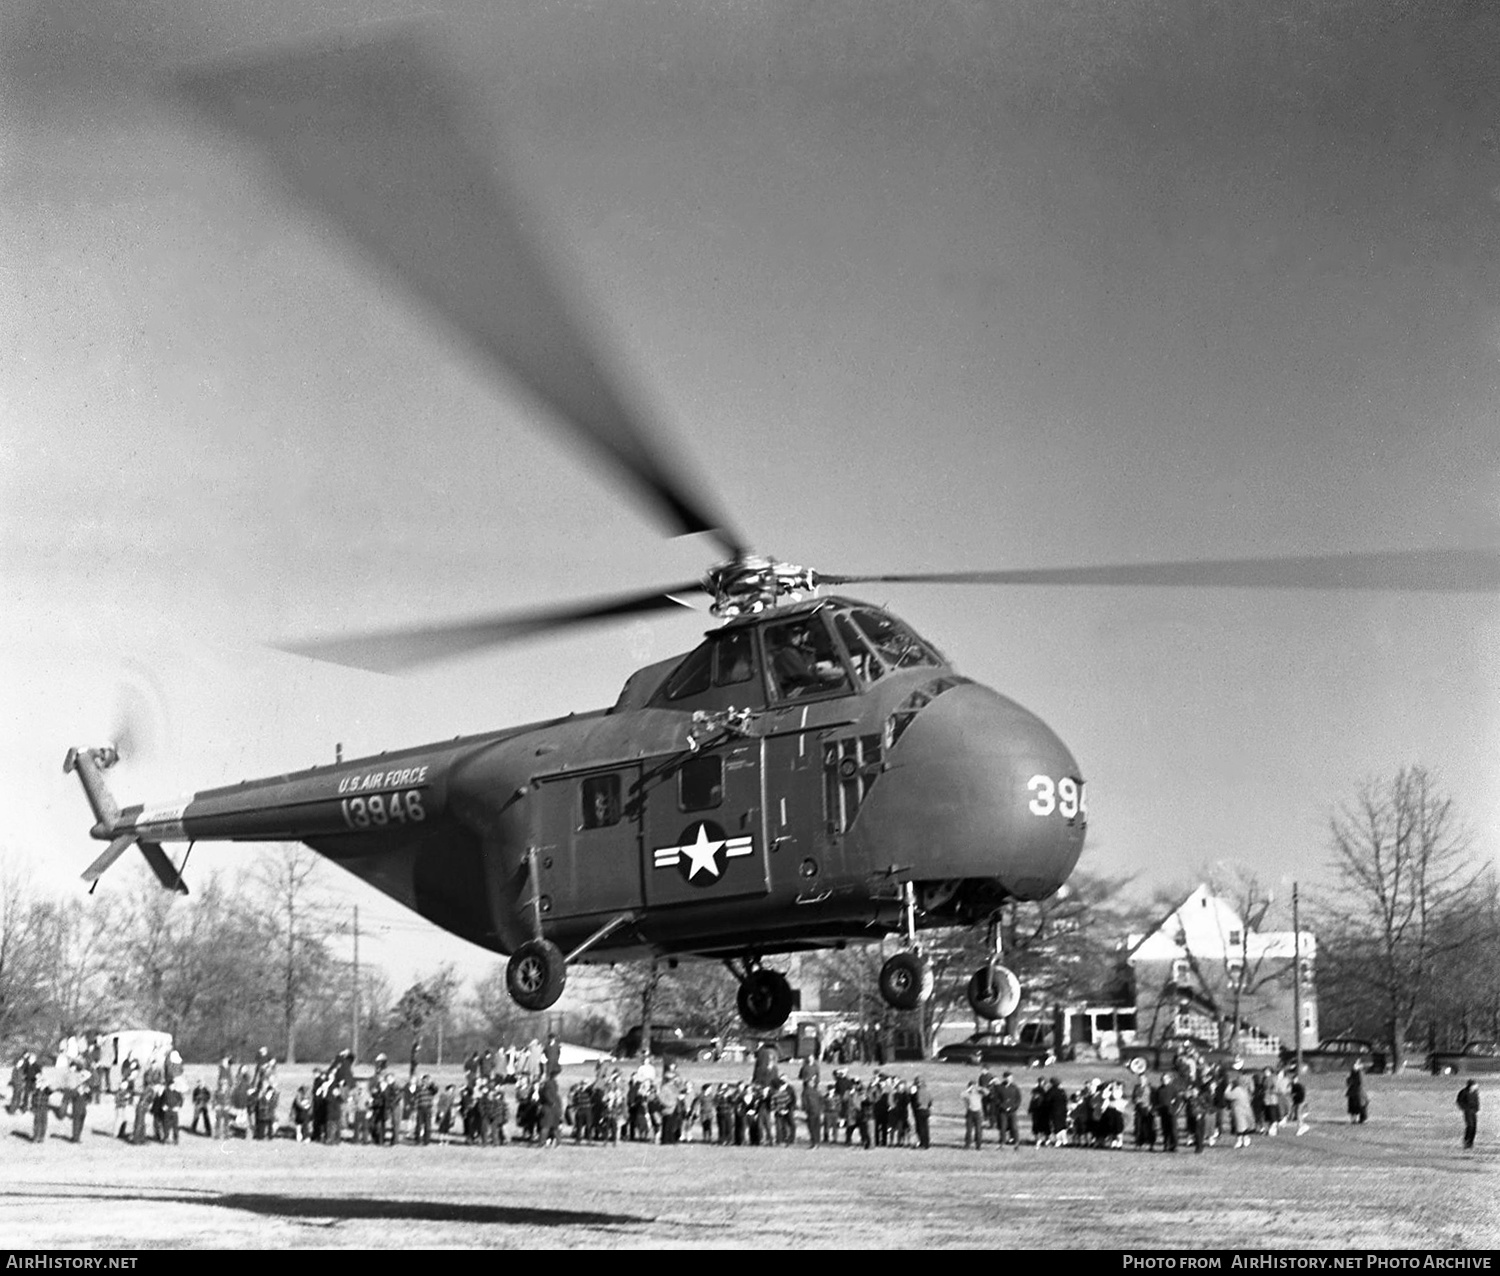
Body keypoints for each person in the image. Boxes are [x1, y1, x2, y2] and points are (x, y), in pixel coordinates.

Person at [1457, 1080, 1480, 1150]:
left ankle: (1471, 1142)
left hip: (1474, 1111)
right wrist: (1465, 1108)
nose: (1476, 1086)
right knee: (1470, 1126)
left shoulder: (1475, 1092)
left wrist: (1477, 1108)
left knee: (1474, 1127)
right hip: (1468, 1111)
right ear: (1471, 1085)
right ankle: (1466, 1141)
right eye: (1475, 1085)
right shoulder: (1463, 1092)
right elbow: (1459, 1101)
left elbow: (1477, 1101)